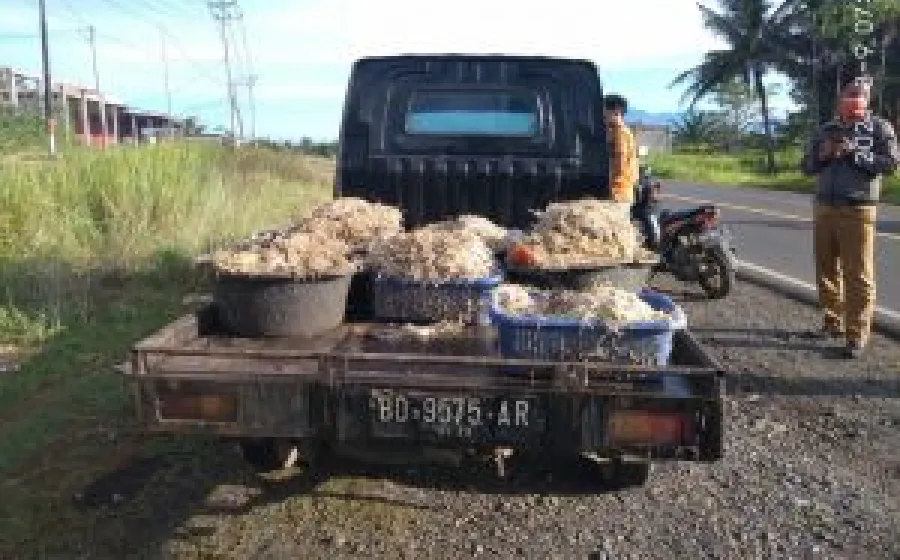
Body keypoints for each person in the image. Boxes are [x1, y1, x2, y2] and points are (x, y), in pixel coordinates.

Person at [801, 77, 899, 358]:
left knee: (858, 275)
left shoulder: (878, 128)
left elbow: (891, 163)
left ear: (868, 99)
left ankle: (856, 335)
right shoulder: (826, 130)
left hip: (857, 209)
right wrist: (823, 155)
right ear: (840, 97)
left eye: (861, 94)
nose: (855, 98)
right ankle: (832, 323)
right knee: (826, 270)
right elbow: (806, 166)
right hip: (824, 207)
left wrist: (855, 152)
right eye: (850, 93)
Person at [604, 94, 639, 204]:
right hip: (623, 190)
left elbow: (620, 165)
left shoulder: (620, 133)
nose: (603, 116)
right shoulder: (623, 131)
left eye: (605, 112)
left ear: (616, 112)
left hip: (619, 192)